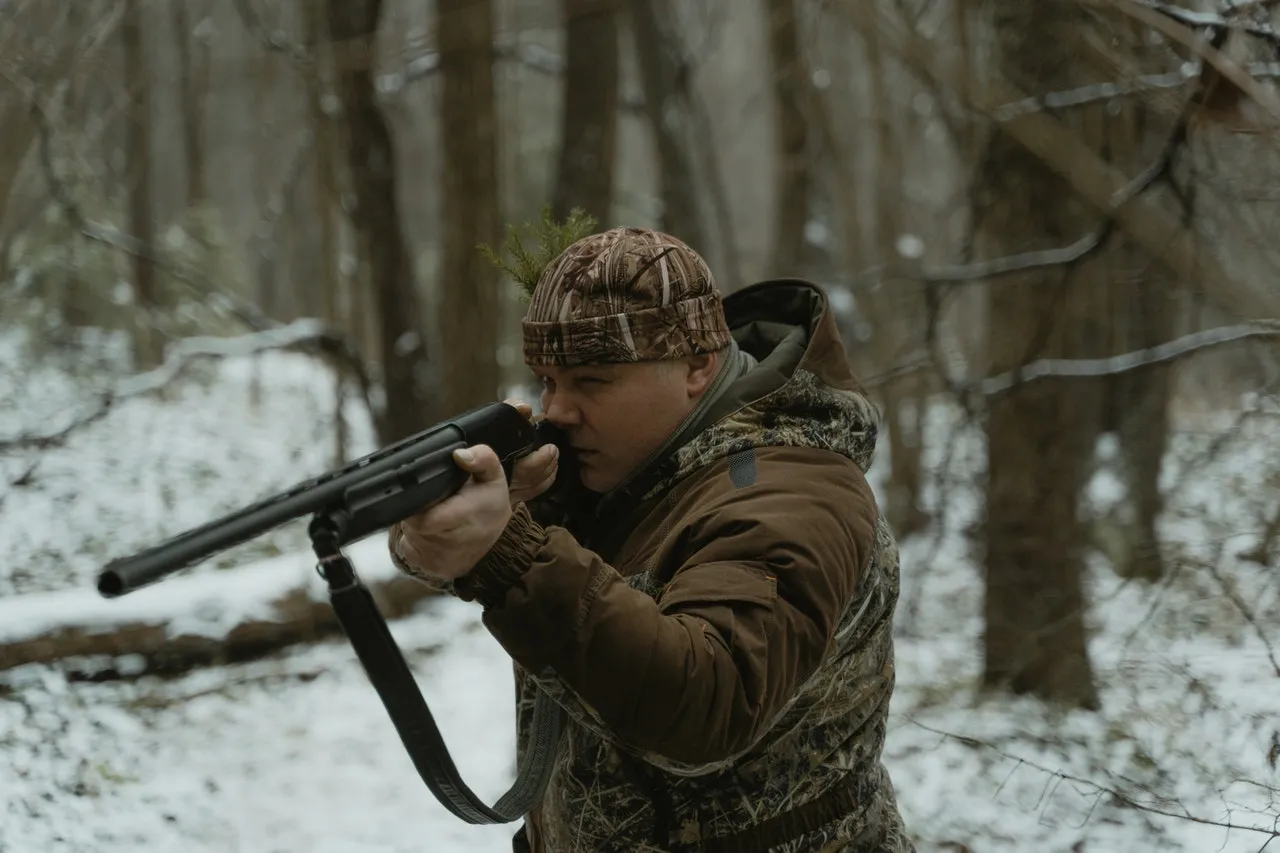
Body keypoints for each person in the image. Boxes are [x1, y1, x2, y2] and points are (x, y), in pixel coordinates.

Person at [389, 227, 914, 852]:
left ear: (698, 365)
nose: (556, 409)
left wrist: (509, 550)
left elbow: (708, 705)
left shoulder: (792, 492)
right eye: (548, 380)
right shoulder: (627, 467)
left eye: (592, 380)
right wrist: (489, 510)